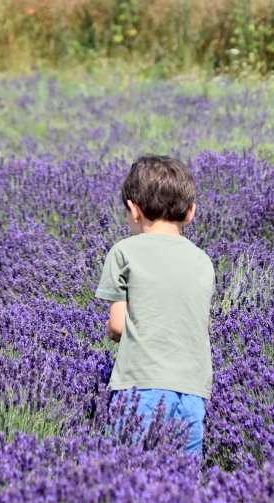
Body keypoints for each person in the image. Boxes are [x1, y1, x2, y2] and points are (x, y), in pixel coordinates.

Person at [95, 155, 214, 456]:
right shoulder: (203, 261)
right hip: (191, 391)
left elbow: (117, 326)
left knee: (133, 478)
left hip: (139, 388)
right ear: (191, 213)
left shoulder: (123, 252)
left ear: (133, 210)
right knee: (183, 483)